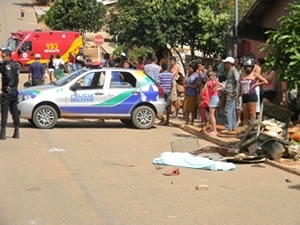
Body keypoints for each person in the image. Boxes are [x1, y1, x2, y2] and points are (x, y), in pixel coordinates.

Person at [238, 57, 268, 126]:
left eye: (250, 67)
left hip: (251, 96)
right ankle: (245, 130)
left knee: (252, 114)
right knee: (245, 115)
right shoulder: (242, 74)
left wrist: (257, 84)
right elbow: (240, 86)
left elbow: (265, 81)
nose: (248, 68)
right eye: (247, 67)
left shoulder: (254, 74)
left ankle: (252, 130)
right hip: (244, 96)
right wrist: (238, 96)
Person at [0, 49, 20, 139]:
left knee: (4, 112)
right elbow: (17, 78)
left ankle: (2, 132)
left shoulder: (7, 66)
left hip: (7, 91)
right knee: (15, 112)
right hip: (14, 90)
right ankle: (16, 131)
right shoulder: (16, 65)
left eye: (4, 56)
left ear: (8, 56)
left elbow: (7, 76)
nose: (2, 58)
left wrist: (4, 85)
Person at [221, 56, 240, 133]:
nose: (225, 65)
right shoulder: (231, 70)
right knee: (231, 110)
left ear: (229, 63)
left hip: (231, 93)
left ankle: (228, 127)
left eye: (226, 63)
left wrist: (235, 92)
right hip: (230, 92)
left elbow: (237, 81)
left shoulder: (233, 71)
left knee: (228, 109)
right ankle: (233, 126)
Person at [205, 71, 224, 136]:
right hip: (216, 97)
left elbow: (205, 89)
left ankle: (215, 130)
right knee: (213, 115)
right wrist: (217, 89)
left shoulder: (208, 82)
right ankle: (213, 128)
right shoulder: (216, 82)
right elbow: (223, 86)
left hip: (212, 98)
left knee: (211, 115)